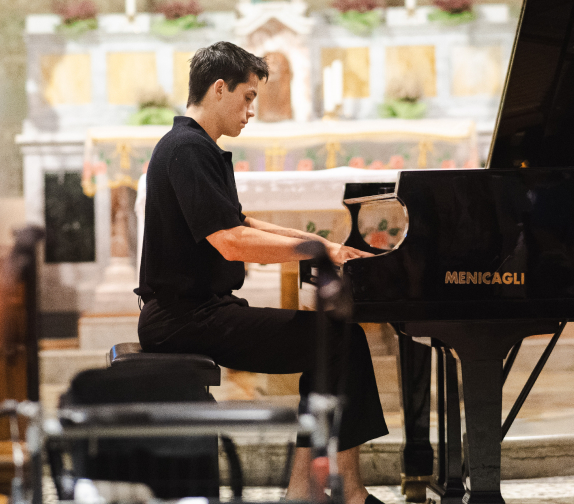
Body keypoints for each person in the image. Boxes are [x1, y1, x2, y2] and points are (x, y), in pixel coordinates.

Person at [135, 41, 388, 504]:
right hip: (185, 318)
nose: (253, 109)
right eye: (248, 96)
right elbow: (229, 242)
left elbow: (242, 222)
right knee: (338, 339)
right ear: (218, 88)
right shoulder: (187, 148)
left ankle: (318, 492)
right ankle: (335, 494)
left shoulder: (193, 147)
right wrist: (312, 249)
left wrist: (326, 246)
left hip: (198, 313)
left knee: (337, 340)